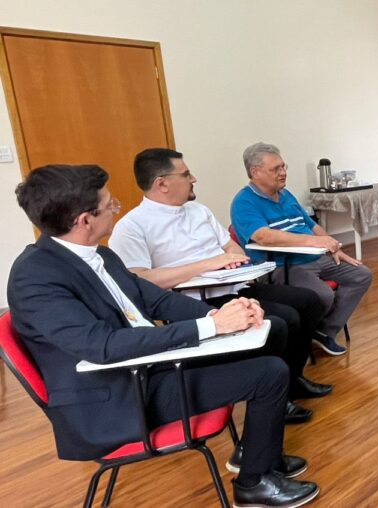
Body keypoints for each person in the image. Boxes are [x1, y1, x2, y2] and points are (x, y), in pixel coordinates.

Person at [7, 164, 319, 507]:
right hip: (117, 395)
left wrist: (223, 315)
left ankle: (260, 454)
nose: (116, 208)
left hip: (148, 367)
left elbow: (155, 299)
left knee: (267, 332)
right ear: (84, 220)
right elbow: (105, 347)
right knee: (268, 374)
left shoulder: (100, 255)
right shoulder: (35, 278)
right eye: (110, 205)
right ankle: (254, 482)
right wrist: (212, 327)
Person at [109, 148, 334, 424]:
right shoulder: (132, 226)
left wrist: (235, 259)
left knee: (307, 301)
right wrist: (206, 265)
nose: (194, 178)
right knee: (279, 322)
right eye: (186, 174)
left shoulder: (198, 210)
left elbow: (230, 245)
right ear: (162, 184)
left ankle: (292, 379)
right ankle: (274, 395)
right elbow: (139, 279)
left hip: (230, 287)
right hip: (192, 302)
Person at [230, 142, 373, 356]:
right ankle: (307, 332)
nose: (283, 173)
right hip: (281, 265)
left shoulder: (286, 195)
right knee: (322, 295)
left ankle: (323, 331)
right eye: (275, 169)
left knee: (361, 274)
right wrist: (315, 243)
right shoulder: (244, 202)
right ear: (255, 172)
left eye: (283, 167)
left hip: (314, 257)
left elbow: (311, 225)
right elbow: (263, 236)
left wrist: (332, 246)